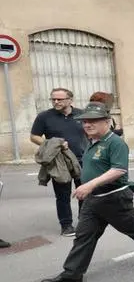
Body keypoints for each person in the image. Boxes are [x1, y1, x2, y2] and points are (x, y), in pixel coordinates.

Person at [40, 102, 134, 282]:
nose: (87, 125)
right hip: (93, 199)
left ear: (107, 122)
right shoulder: (90, 142)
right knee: (84, 235)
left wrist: (89, 184)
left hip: (113, 197)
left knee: (133, 227)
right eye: (84, 122)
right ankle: (72, 273)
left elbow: (118, 170)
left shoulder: (115, 143)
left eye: (93, 121)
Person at [30, 87, 87, 236]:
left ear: (70, 100)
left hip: (82, 159)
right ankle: (66, 225)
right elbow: (34, 136)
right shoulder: (44, 117)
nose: (56, 101)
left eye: (60, 99)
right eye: (53, 99)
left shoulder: (82, 114)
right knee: (62, 195)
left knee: (85, 192)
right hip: (59, 161)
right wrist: (53, 143)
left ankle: (84, 221)